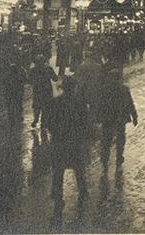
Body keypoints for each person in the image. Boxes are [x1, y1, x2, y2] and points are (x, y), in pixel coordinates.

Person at [48, 76, 88, 223]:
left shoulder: (55, 102)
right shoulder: (80, 102)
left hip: (59, 142)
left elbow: (49, 123)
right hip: (74, 141)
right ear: (74, 87)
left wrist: (57, 133)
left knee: (58, 169)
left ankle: (58, 195)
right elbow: (85, 122)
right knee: (78, 167)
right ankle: (83, 190)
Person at [99, 68, 138, 171]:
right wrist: (134, 116)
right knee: (121, 138)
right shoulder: (124, 89)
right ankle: (119, 158)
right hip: (120, 117)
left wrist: (98, 117)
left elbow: (99, 105)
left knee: (106, 139)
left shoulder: (104, 89)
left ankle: (104, 160)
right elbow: (130, 103)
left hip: (107, 118)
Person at [30, 54, 58, 130]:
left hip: (37, 91)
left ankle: (35, 120)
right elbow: (55, 78)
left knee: (36, 106)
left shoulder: (33, 70)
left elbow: (30, 81)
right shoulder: (48, 69)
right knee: (46, 107)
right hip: (47, 91)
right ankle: (43, 123)